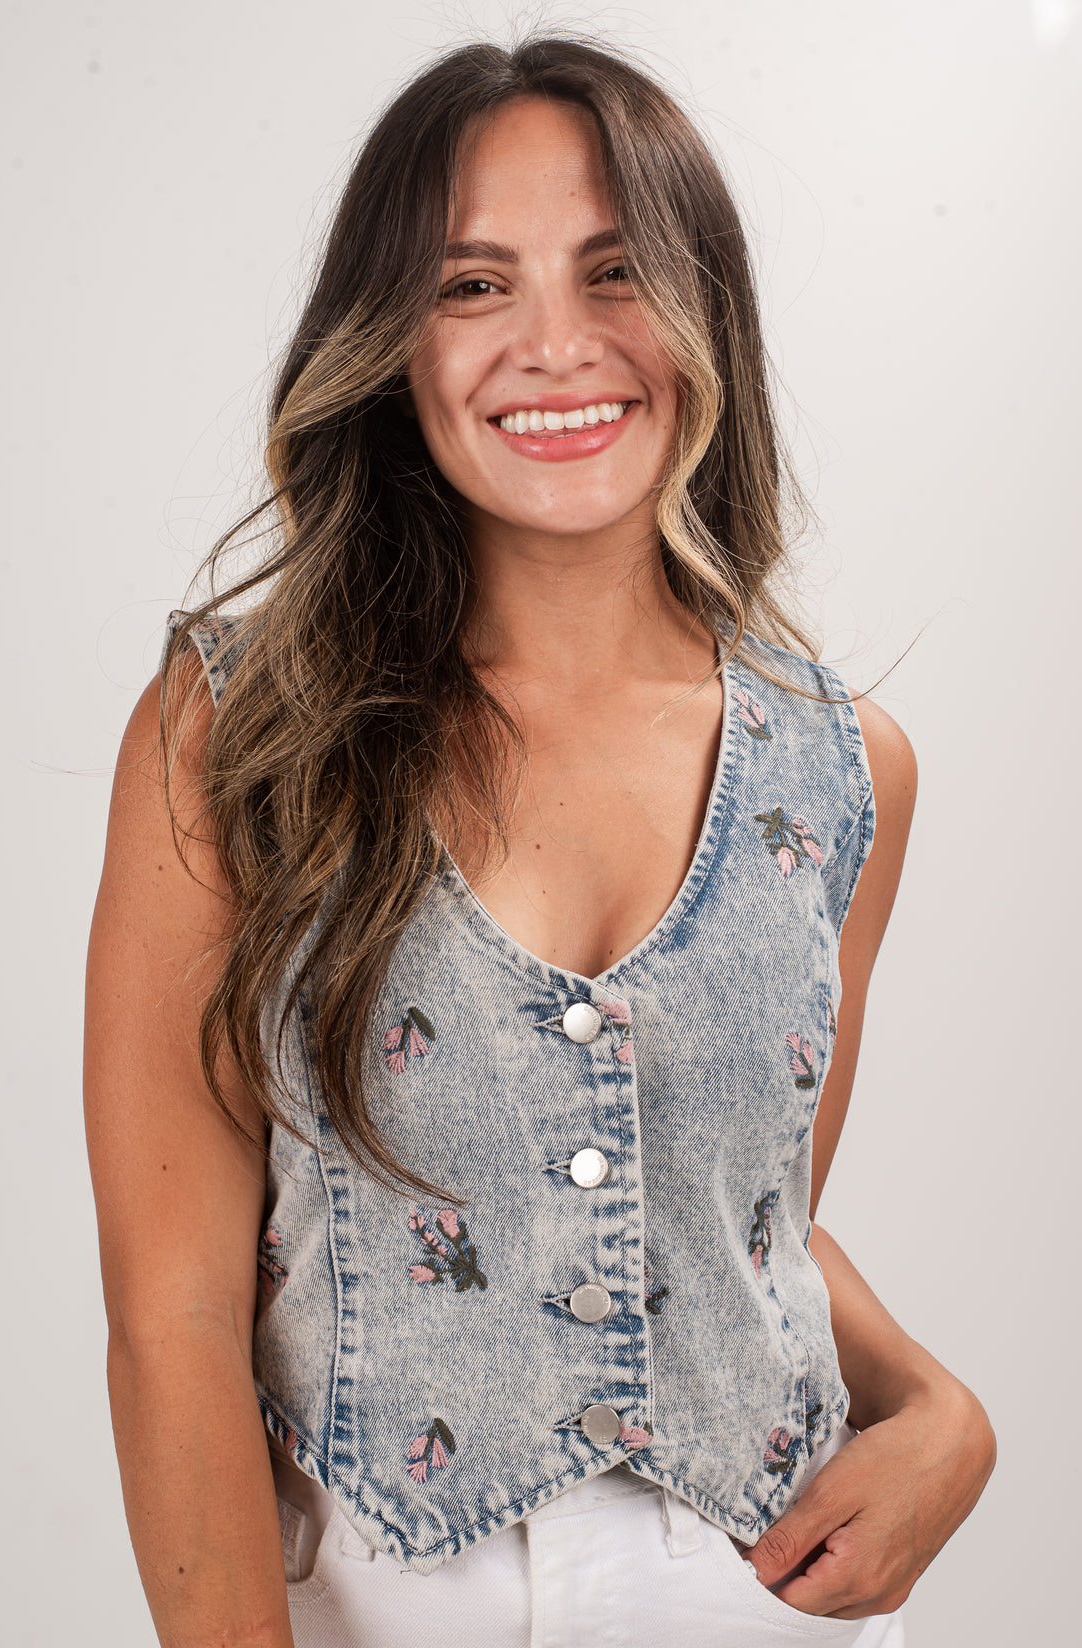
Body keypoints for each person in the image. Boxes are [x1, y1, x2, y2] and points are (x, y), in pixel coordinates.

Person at [84, 35, 994, 1648]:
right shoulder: (239, 736)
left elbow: (736, 1227)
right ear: (392, 344)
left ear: (706, 312)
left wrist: (940, 1413)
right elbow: (171, 1316)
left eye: (617, 269)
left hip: (764, 1591)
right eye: (474, 286)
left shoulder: (845, 769)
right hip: (374, 1600)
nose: (558, 346)